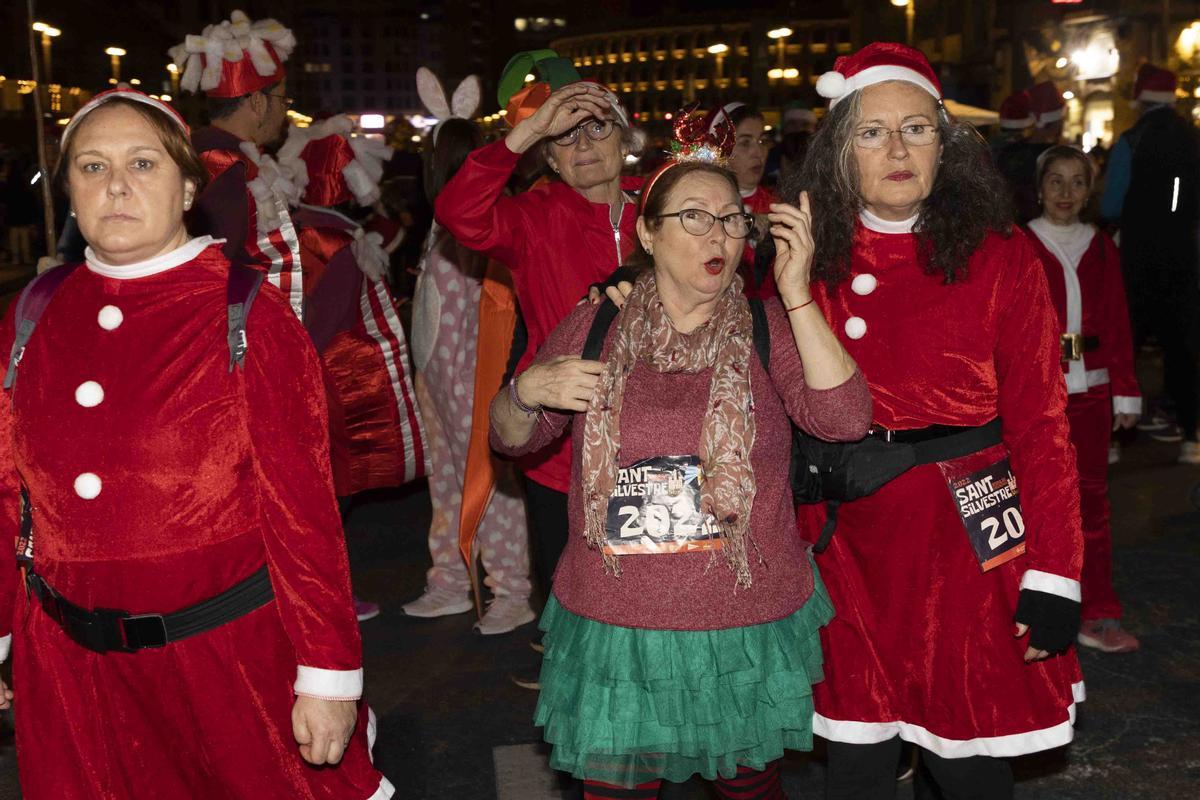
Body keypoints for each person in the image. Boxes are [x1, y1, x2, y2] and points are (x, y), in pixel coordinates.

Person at [0, 88, 392, 799]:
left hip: (227, 664)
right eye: (91, 167)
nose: (115, 185)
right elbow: (4, 495)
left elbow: (303, 516)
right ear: (68, 191)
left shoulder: (245, 312)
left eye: (142, 163)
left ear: (186, 187)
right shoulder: (33, 314)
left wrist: (328, 674)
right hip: (73, 677)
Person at [490, 121, 872, 798]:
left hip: (739, 620)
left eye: (731, 219)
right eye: (694, 217)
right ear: (647, 234)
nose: (718, 235)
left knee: (749, 789)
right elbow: (512, 437)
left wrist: (797, 290)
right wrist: (526, 389)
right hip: (617, 621)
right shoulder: (598, 323)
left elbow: (845, 418)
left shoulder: (768, 325)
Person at [795, 43, 1084, 798]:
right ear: (838, 151)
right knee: (855, 764)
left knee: (969, 765)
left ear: (945, 147)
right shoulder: (805, 252)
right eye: (871, 131)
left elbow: (1043, 424)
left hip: (965, 547)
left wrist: (1056, 572)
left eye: (917, 129)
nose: (896, 149)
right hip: (845, 551)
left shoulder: (1001, 254)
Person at [434, 51, 645, 605]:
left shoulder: (664, 204)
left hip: (661, 433)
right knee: (570, 597)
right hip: (564, 446)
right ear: (550, 157)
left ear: (624, 138)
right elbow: (459, 214)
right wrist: (523, 133)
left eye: (596, 128)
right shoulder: (533, 216)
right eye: (565, 137)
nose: (582, 146)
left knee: (655, 587)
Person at [405, 67, 534, 634]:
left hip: (472, 373)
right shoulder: (441, 221)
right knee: (448, 481)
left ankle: (511, 590)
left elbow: (493, 305)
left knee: (490, 481)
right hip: (436, 375)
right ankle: (452, 581)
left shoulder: (480, 215)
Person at [1025, 145, 1141, 654]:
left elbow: (1117, 323)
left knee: (1092, 505)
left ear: (1090, 189)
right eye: (1056, 181)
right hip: (1037, 395)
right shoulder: (1019, 244)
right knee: (1030, 502)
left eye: (1077, 182)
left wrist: (1127, 391)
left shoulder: (1102, 248)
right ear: (1039, 186)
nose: (1066, 193)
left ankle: (1097, 609)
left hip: (1091, 393)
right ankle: (1029, 608)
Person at [171, 10, 304, 316]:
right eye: (283, 100)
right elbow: (210, 277)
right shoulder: (224, 166)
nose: (284, 111)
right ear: (258, 102)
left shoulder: (209, 152)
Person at [1101, 63, 1200, 464]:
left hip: (1138, 258)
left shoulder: (1131, 140)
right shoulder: (1195, 139)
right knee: (1183, 348)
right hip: (1183, 257)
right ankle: (1192, 436)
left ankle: (1112, 439)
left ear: (1141, 99)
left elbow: (1110, 203)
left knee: (1129, 344)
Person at [721, 103, 779, 299]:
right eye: (745, 143)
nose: (758, 153)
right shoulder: (703, 208)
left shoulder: (778, 207)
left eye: (762, 142)